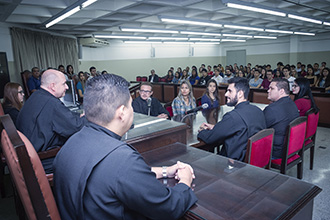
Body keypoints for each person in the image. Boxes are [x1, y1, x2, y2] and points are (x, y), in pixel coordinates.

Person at [53, 74, 197, 220]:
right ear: (122, 112)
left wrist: (166, 171)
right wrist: (185, 181)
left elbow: (115, 175)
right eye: (130, 106)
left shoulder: (71, 143)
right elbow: (170, 207)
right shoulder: (122, 159)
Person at [16, 69, 86, 173]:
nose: (67, 87)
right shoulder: (51, 103)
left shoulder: (36, 96)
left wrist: (79, 115)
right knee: (88, 154)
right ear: (52, 86)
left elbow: (64, 117)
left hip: (31, 155)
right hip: (43, 160)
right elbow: (76, 127)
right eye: (64, 84)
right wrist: (90, 116)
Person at [198, 77, 266, 161]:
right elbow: (235, 128)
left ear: (240, 93)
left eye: (230, 91)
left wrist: (202, 131)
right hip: (255, 162)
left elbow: (210, 138)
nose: (226, 94)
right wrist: (215, 127)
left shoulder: (233, 117)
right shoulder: (258, 111)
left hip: (233, 166)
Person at [263, 78, 299, 159]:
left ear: (281, 91)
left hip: (275, 151)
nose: (268, 91)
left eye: (271, 88)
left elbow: (259, 129)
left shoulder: (272, 109)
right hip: (290, 147)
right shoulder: (292, 103)